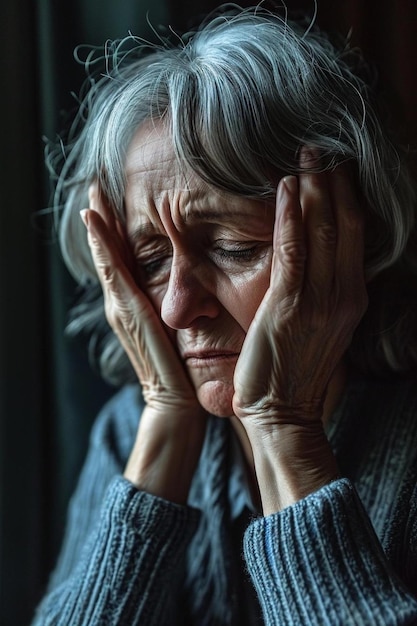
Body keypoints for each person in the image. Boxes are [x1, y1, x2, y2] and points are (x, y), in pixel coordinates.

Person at [32, 4, 417, 625]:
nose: (180, 307)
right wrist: (163, 425)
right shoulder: (127, 432)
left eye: (232, 247)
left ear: (344, 237)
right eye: (150, 258)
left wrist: (284, 426)